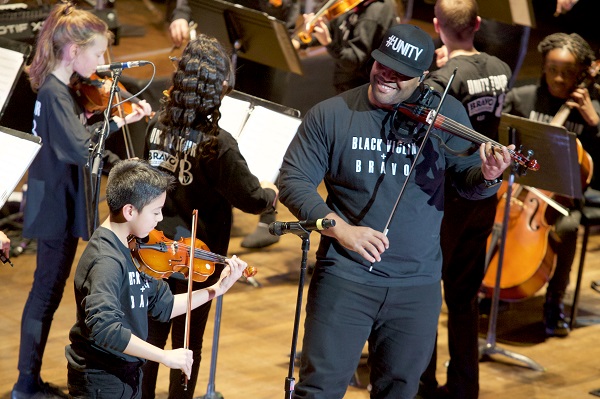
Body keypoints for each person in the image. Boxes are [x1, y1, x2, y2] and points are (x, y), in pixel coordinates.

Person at [277, 23, 513, 398]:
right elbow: (293, 181)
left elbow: (468, 182)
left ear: (422, 77)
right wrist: (341, 229)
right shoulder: (331, 115)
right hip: (346, 279)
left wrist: (487, 176)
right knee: (319, 389)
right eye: (382, 65)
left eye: (400, 73)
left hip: (417, 287)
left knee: (400, 390)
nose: (386, 76)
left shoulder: (445, 113)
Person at [12, 3, 152, 399]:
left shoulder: (57, 88)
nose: (102, 61)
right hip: (55, 204)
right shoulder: (56, 93)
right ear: (73, 50)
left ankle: (28, 381)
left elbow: (74, 134)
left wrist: (104, 122)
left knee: (47, 293)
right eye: (98, 53)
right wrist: (120, 120)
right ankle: (26, 383)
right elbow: (78, 149)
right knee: (45, 295)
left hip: (55, 199)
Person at [141, 34, 278, 399]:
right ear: (218, 86)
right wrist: (270, 192)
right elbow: (251, 199)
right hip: (193, 260)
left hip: (151, 253)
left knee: (151, 340)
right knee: (187, 343)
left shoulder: (156, 125)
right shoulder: (218, 144)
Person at [65, 158, 248, 399]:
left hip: (127, 374)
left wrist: (217, 289)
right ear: (130, 210)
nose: (160, 219)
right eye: (155, 211)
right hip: (102, 381)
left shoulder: (133, 249)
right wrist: (164, 356)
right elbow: (105, 330)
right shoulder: (106, 261)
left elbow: (165, 305)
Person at [416, 1, 512, 398]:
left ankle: (422, 383)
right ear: (477, 24)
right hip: (486, 190)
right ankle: (464, 386)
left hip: (450, 195)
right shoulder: (502, 70)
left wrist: (432, 74)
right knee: (464, 295)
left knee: (425, 291)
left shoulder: (442, 79)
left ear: (437, 26)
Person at [168, 0, 298, 249]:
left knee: (264, 125)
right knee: (230, 121)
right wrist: (181, 14)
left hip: (269, 51)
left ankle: (267, 216)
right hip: (239, 43)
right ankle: (226, 191)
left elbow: (288, 20)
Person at [503, 32, 600, 337]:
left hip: (563, 198)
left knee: (567, 229)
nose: (559, 78)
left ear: (581, 73)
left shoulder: (593, 111)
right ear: (543, 66)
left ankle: (554, 302)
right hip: (517, 189)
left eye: (568, 72)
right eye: (552, 69)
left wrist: (593, 123)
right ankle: (491, 292)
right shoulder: (522, 98)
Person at [293, 0, 399, 94]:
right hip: (344, 81)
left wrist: (329, 43)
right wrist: (299, 42)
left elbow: (353, 60)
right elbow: (332, 28)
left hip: (359, 90)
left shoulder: (374, 13)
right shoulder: (353, 3)